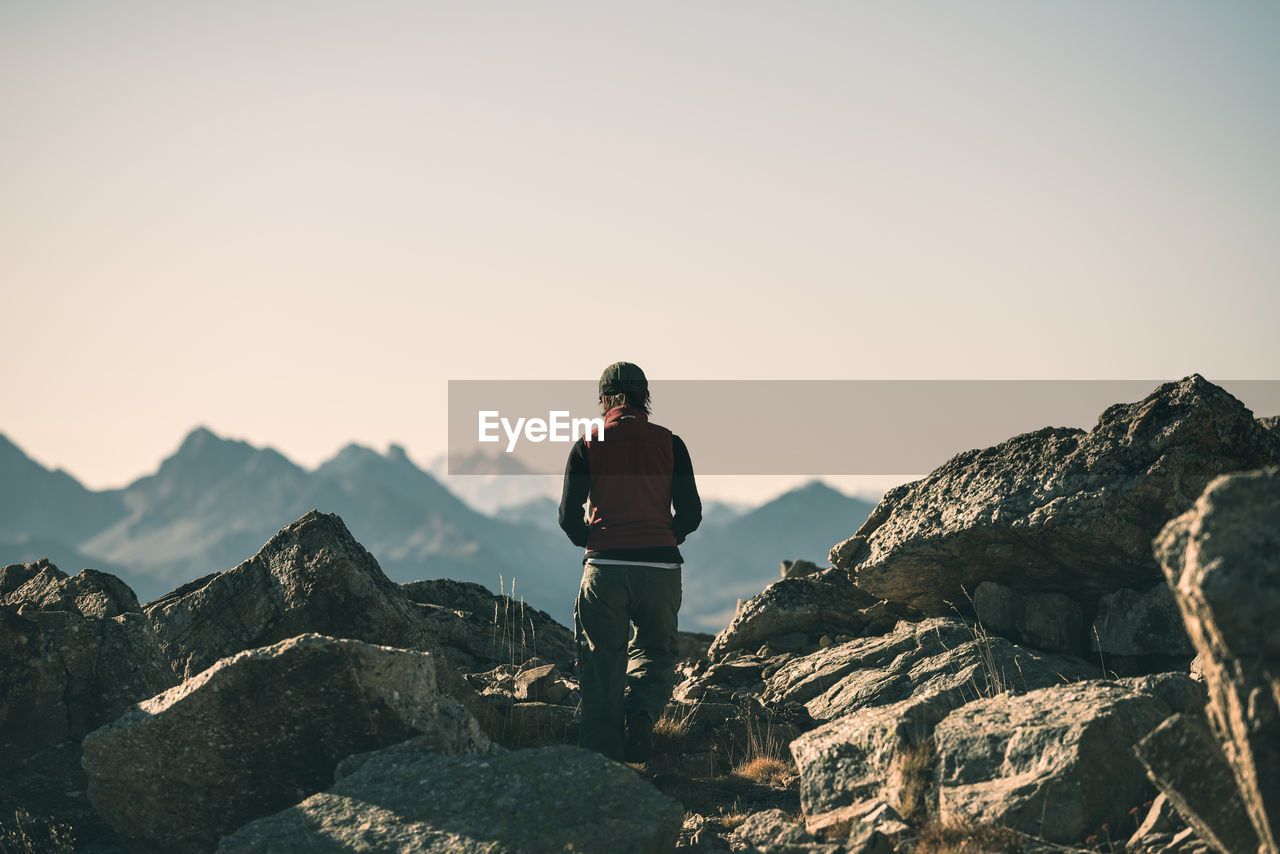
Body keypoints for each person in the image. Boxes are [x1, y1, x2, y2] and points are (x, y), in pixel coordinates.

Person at [558, 361, 702, 763]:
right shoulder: (670, 443)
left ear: (606, 399)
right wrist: (665, 539)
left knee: (600, 661)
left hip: (605, 568)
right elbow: (690, 512)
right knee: (655, 650)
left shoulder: (588, 444)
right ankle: (640, 718)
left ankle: (602, 765)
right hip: (660, 568)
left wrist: (595, 544)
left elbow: (568, 516)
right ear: (645, 398)